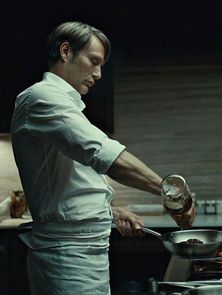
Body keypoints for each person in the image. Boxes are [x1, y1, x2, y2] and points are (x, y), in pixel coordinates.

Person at [11, 21, 195, 295]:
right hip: (67, 256)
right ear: (65, 52)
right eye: (93, 61)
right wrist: (171, 192)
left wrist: (110, 212)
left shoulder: (65, 105)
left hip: (86, 253)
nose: (98, 74)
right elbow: (107, 156)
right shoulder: (41, 98)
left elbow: (70, 188)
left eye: (101, 66)